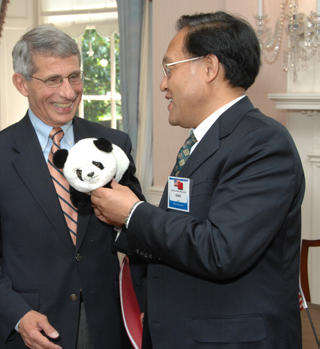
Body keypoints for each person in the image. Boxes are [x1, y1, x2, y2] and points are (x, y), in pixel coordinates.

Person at [91, 11, 305, 348]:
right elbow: (181, 230)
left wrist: (134, 214)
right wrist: (124, 221)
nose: (163, 84)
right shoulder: (202, 141)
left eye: (169, 69)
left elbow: (222, 249)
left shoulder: (264, 143)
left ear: (209, 68)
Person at [0, 25, 145, 349]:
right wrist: (17, 315)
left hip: (108, 322)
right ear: (22, 83)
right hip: (35, 328)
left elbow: (138, 231)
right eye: (53, 80)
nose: (69, 92)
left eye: (74, 76)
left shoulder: (114, 145)